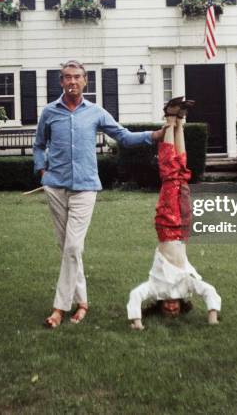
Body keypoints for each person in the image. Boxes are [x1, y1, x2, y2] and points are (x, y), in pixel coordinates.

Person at [34, 60, 166, 328]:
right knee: (68, 250)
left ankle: (60, 308)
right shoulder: (49, 112)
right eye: (67, 77)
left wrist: (155, 135)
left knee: (72, 247)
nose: (72, 81)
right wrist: (42, 171)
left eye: (77, 77)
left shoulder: (95, 112)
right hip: (56, 186)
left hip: (85, 187)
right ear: (61, 82)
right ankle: (82, 303)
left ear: (85, 82)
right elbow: (39, 145)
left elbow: (124, 137)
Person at [127, 97, 221, 330]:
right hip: (184, 229)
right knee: (182, 171)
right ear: (181, 304)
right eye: (175, 310)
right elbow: (209, 291)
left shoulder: (155, 288)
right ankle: (179, 121)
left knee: (170, 173)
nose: (171, 308)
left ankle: (169, 118)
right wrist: (212, 316)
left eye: (167, 310)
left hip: (168, 227)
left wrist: (137, 322)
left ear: (159, 306)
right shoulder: (187, 286)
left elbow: (135, 296)